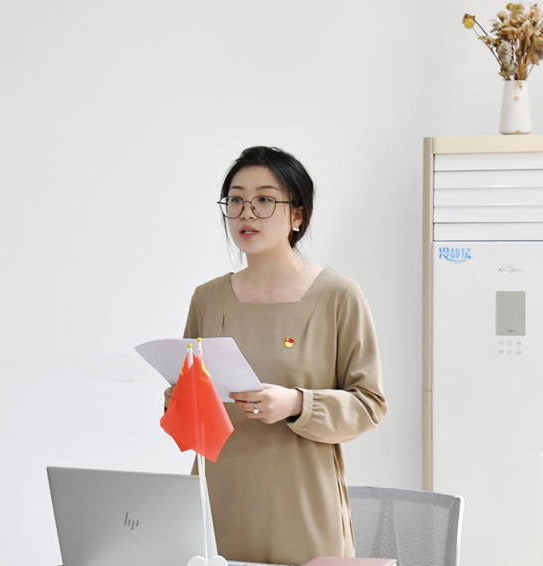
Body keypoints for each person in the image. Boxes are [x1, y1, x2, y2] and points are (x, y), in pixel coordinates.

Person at [166, 146, 387, 566]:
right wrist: (184, 401)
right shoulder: (207, 298)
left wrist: (297, 403)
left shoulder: (338, 296)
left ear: (297, 215)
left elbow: (369, 405)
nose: (246, 212)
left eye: (264, 200)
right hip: (216, 504)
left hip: (303, 508)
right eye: (235, 200)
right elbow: (181, 398)